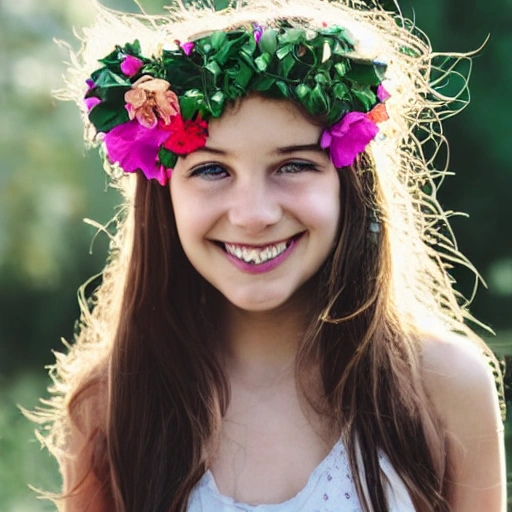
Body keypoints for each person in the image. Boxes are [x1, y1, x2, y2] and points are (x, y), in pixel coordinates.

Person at [33, 0, 506, 510]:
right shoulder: (111, 406)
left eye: (294, 165)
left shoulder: (444, 386)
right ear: (163, 195)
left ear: (352, 185)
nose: (253, 214)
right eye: (212, 170)